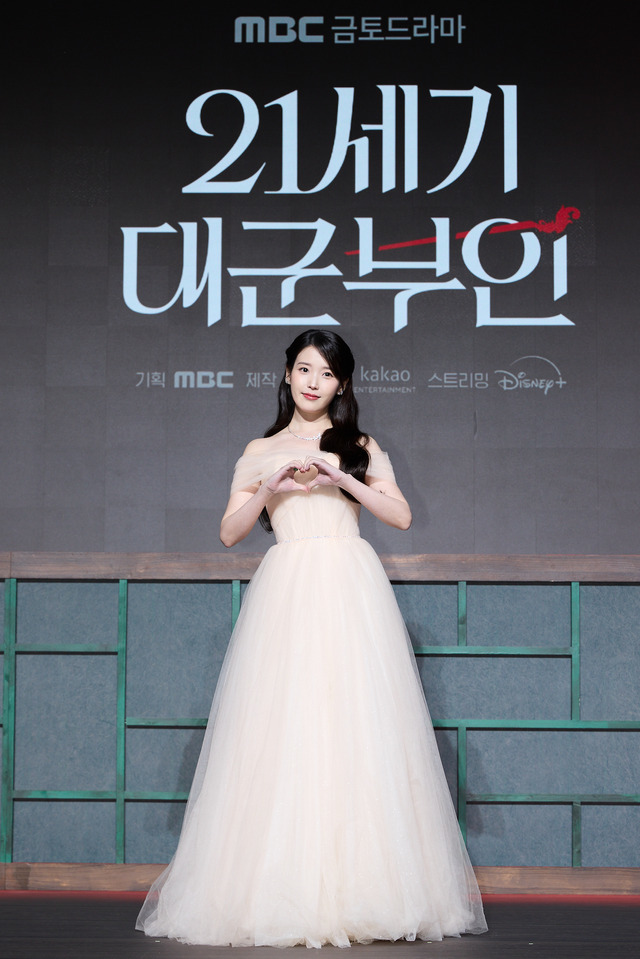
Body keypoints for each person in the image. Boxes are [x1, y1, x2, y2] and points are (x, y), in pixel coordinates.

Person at [136, 330, 487, 948]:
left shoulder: (360, 446)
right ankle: (275, 889)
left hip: (350, 587)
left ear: (342, 384)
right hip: (287, 589)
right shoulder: (260, 449)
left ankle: (367, 891)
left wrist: (340, 477)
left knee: (356, 727)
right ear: (287, 375)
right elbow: (229, 532)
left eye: (326, 373)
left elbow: (401, 515)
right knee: (282, 728)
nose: (313, 382)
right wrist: (269, 488)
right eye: (304, 369)